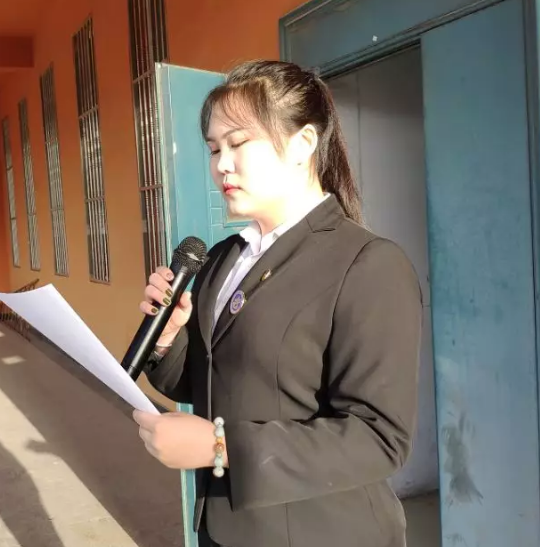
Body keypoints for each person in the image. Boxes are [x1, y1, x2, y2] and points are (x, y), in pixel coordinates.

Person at [132, 59, 423, 547]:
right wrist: (166, 340)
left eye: (238, 143)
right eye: (214, 149)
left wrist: (221, 447)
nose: (221, 165)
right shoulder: (222, 258)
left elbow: (378, 438)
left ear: (303, 144)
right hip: (223, 525)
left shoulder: (368, 264)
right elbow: (211, 383)